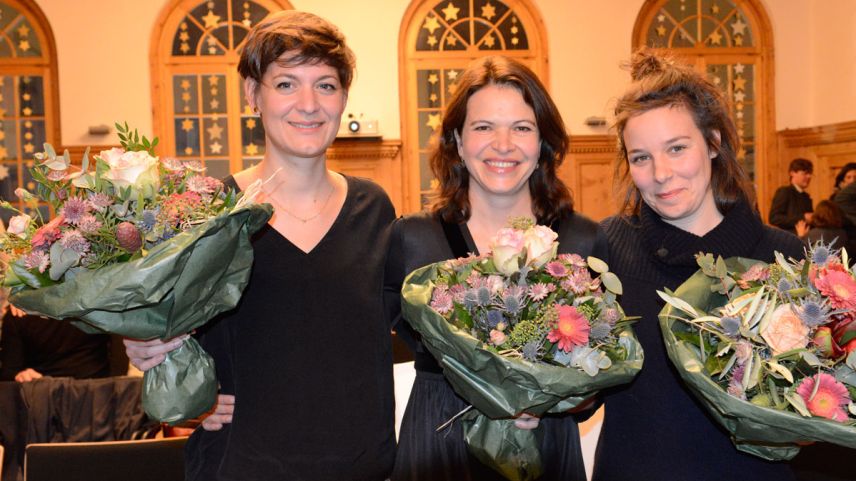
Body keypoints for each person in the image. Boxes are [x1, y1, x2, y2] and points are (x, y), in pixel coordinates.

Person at [123, 11, 396, 480]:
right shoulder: (211, 213)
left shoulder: (374, 208)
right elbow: (161, 339)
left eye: (325, 85)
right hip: (241, 463)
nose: (308, 104)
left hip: (362, 465)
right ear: (254, 95)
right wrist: (146, 345)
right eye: (286, 84)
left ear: (343, 98)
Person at [386, 55, 606, 481]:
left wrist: (559, 400)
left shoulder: (584, 242)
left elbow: (599, 381)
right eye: (483, 127)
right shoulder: (411, 239)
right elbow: (359, 350)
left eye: (521, 128)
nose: (502, 145)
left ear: (543, 142)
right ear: (457, 139)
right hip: (439, 441)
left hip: (544, 443)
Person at [592, 50, 803, 481]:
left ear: (712, 142)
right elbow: (585, 384)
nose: (661, 173)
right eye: (641, 157)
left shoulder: (785, 259)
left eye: (676, 148)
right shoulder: (608, 246)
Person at [0, 308, 112, 382]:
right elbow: (10, 372)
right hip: (43, 396)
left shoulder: (99, 304)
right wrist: (20, 376)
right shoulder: (19, 313)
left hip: (95, 394)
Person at [768, 158, 814, 234]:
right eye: (805, 173)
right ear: (792, 173)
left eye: (810, 173)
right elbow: (774, 218)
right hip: (789, 239)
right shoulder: (785, 192)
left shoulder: (806, 196)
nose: (809, 176)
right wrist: (803, 217)